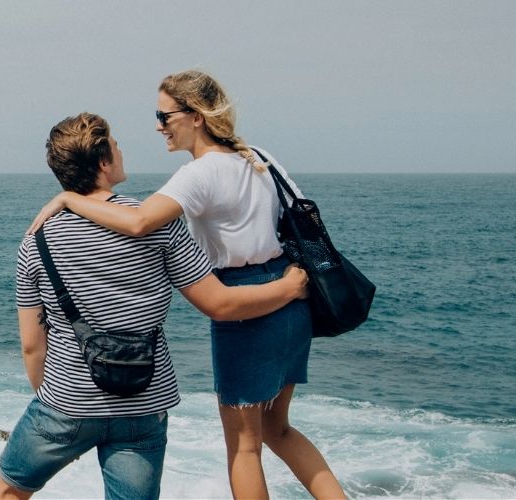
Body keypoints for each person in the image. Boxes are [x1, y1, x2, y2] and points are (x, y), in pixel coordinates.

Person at [26, 70, 346, 500]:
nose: (158, 125)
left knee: (244, 447)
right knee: (278, 429)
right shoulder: (257, 157)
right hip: (290, 293)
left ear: (195, 116)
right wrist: (290, 287)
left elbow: (139, 222)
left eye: (165, 115)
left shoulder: (200, 174)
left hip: (248, 303)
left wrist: (69, 199)